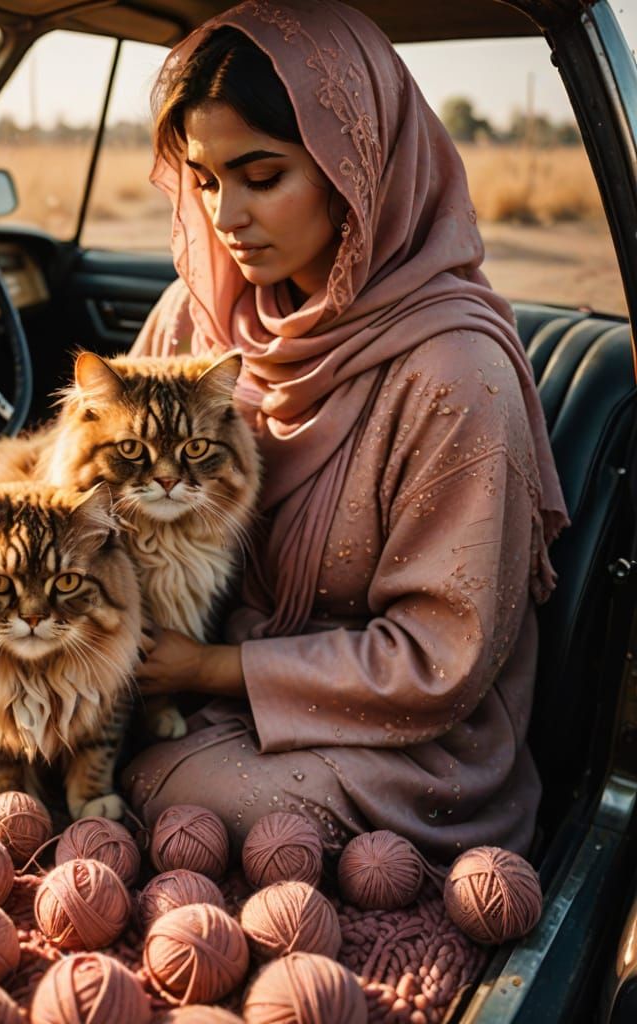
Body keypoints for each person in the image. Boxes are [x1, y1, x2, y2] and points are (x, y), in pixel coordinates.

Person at [122, 0, 568, 864]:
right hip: (177, 674)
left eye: (261, 175)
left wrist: (209, 671)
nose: (225, 217)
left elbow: (441, 658)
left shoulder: (453, 373)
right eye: (206, 180)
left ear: (354, 169)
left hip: (398, 734)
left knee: (178, 794)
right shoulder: (201, 317)